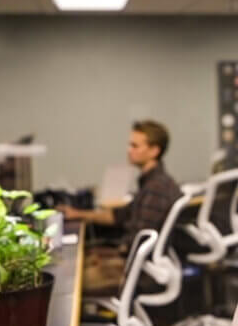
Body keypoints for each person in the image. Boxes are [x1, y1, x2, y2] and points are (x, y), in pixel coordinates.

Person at [60, 120, 180, 293]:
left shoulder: (156, 189)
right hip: (133, 265)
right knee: (74, 267)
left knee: (67, 282)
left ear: (154, 151)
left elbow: (138, 243)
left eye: (135, 146)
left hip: (136, 273)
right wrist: (78, 214)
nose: (129, 150)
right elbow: (118, 215)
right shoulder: (152, 183)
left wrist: (106, 255)